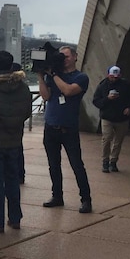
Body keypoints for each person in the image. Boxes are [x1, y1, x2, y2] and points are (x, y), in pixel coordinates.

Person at [0, 51, 33, 232]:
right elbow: (27, 112)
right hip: (14, 140)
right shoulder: (23, 87)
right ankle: (15, 217)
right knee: (12, 180)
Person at [38, 46, 93, 213]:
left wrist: (54, 74)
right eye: (61, 56)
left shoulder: (81, 77)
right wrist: (41, 76)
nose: (64, 59)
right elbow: (46, 96)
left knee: (77, 165)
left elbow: (68, 91)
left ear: (75, 57)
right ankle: (57, 196)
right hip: (50, 127)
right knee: (53, 165)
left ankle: (86, 199)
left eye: (67, 56)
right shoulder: (53, 75)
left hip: (68, 128)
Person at [92, 65, 130, 172]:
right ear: (108, 75)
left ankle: (113, 161)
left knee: (118, 141)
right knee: (106, 139)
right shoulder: (102, 86)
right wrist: (107, 99)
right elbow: (96, 101)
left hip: (122, 117)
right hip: (107, 117)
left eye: (117, 77)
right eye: (112, 77)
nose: (114, 79)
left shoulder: (126, 85)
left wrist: (129, 107)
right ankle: (105, 161)